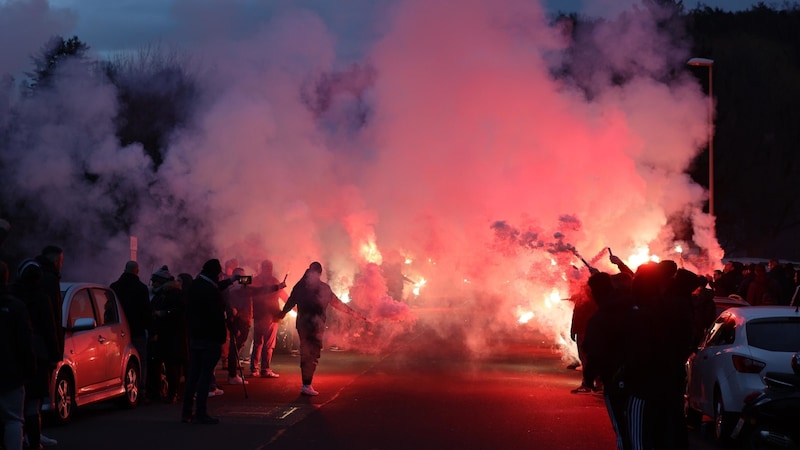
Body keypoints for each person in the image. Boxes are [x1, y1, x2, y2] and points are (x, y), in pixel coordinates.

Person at [277, 261, 367, 396]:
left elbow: (290, 301)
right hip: (315, 325)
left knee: (306, 351)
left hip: (303, 324)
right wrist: (354, 313)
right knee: (312, 353)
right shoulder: (322, 287)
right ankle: (307, 384)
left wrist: (282, 314)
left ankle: (306, 383)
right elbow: (337, 303)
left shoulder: (300, 286)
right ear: (320, 273)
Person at [10, 260, 60, 450]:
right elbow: (50, 329)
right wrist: (55, 355)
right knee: (33, 405)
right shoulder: (42, 298)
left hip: (15, 355)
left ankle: (17, 439)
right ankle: (34, 441)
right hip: (39, 355)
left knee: (15, 406)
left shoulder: (12, 297)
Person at [181, 259, 230, 424]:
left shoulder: (195, 286)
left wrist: (230, 281)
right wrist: (222, 337)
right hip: (210, 339)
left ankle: (186, 412)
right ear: (214, 273)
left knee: (193, 376)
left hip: (195, 337)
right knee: (204, 377)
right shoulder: (211, 292)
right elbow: (217, 317)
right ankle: (201, 413)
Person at [0, 260, 37, 450]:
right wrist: (30, 370)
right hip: (11, 373)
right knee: (14, 419)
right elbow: (25, 341)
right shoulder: (15, 307)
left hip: (11, 371)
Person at [110, 260, 153, 403]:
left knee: (118, 361)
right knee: (141, 361)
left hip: (117, 331)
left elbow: (108, 310)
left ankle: (117, 389)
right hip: (137, 330)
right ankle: (140, 392)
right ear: (137, 271)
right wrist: (151, 329)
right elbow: (146, 311)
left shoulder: (114, 287)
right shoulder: (141, 288)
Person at [150, 265, 188, 404]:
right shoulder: (160, 295)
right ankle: (163, 392)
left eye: (155, 281)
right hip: (162, 336)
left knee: (173, 366)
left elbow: (180, 312)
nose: (153, 284)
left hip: (173, 337)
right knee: (164, 365)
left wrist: (164, 313)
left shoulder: (175, 294)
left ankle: (173, 393)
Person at [250, 259, 288, 378]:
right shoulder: (273, 281)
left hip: (258, 315)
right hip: (271, 316)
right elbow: (284, 296)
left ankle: (254, 368)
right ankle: (265, 369)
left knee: (258, 342)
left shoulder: (255, 280)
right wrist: (294, 308)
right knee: (268, 344)